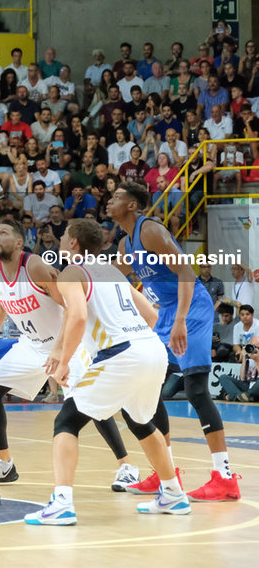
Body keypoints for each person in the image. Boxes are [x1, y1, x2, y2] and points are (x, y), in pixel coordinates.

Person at [24, 219, 190, 525]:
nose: (60, 239)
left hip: (121, 353)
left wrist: (63, 363)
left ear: (73, 243)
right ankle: (174, 494)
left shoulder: (72, 273)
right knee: (141, 423)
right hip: (150, 349)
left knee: (67, 420)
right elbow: (152, 316)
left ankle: (61, 504)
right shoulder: (111, 271)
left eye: (63, 235)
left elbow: (76, 317)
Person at [0, 220, 139, 492]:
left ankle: (126, 466)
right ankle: (4, 463)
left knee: (90, 402)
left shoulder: (36, 267)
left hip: (67, 344)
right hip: (31, 345)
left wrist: (61, 350)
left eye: (3, 232)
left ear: (19, 242)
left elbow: (70, 310)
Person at [109, 182, 240, 501]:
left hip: (191, 306)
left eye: (116, 196)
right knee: (148, 385)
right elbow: (113, 277)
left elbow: (185, 271)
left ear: (132, 205)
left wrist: (180, 318)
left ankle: (224, 477)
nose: (110, 199)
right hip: (168, 311)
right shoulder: (125, 245)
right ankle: (164, 471)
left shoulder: (150, 230)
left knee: (195, 389)